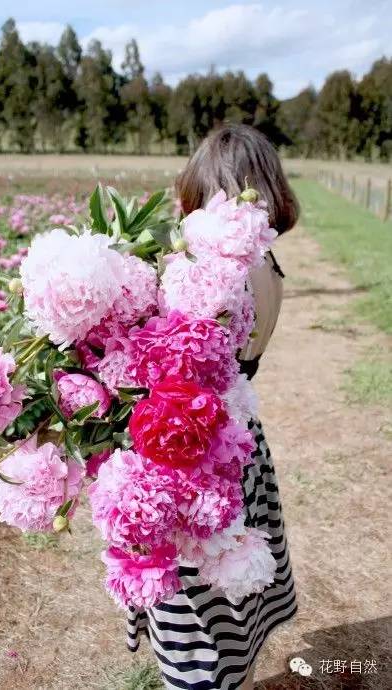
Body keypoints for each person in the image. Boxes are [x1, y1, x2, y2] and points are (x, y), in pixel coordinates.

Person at [127, 123, 300, 689]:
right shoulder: (268, 267)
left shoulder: (210, 273)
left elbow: (177, 366)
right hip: (241, 441)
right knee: (233, 582)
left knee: (194, 597)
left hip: (195, 454)